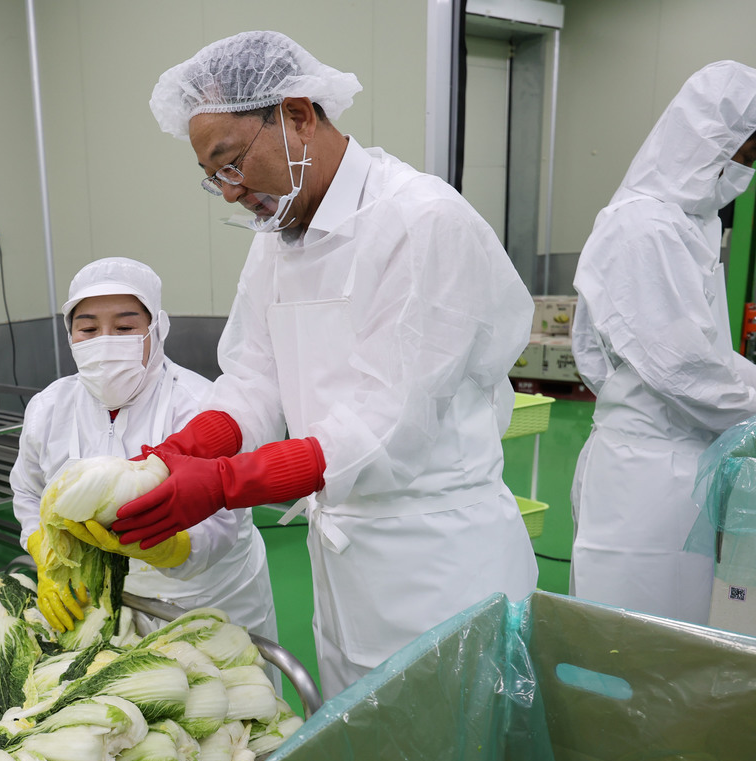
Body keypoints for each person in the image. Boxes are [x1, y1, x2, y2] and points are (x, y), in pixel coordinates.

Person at [113, 31, 538, 698]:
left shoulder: (418, 222)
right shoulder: (282, 238)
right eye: (213, 177)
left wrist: (225, 482)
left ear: (297, 116)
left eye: (232, 164)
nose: (229, 193)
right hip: (344, 572)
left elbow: (384, 426)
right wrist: (176, 455)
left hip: (437, 567)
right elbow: (253, 379)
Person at [570, 62, 756, 624]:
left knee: (674, 642)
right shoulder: (642, 228)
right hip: (645, 479)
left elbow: (699, 357)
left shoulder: (687, 225)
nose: (744, 171)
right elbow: (686, 375)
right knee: (631, 643)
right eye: (742, 156)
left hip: (679, 465)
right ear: (707, 142)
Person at [11, 257, 278, 645]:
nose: (105, 341)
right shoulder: (49, 408)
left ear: (156, 329)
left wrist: (171, 547)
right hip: (103, 599)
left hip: (207, 596)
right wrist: (43, 551)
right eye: (88, 328)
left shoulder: (201, 406)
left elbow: (225, 519)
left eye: (124, 327)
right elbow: (28, 490)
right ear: (69, 335)